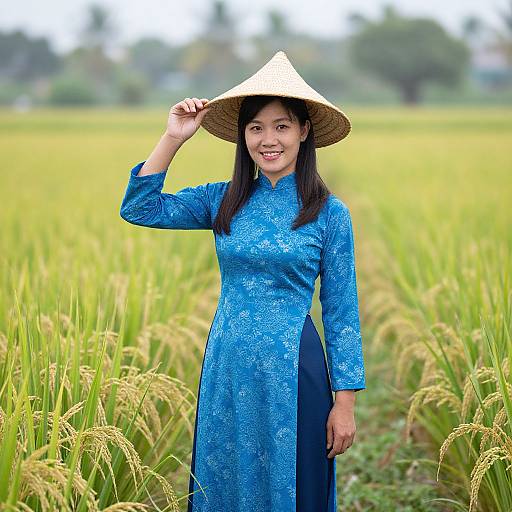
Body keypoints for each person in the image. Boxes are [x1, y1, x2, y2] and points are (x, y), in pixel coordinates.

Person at [120, 50, 366, 512]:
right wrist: (173, 137)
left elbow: (342, 309)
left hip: (296, 367)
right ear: (243, 136)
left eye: (281, 126)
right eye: (256, 128)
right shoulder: (224, 200)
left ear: (303, 131)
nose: (268, 140)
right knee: (224, 478)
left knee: (297, 482)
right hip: (228, 365)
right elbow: (140, 209)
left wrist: (345, 403)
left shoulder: (329, 214)